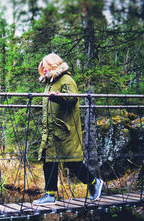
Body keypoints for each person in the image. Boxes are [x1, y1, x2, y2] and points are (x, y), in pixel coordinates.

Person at [33, 53, 103, 205]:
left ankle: (94, 182)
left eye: (45, 67)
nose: (43, 70)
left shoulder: (67, 80)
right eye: (42, 68)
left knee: (72, 162)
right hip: (51, 131)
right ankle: (50, 195)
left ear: (53, 65)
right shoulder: (50, 83)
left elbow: (73, 99)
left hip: (65, 130)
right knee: (48, 160)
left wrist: (57, 96)